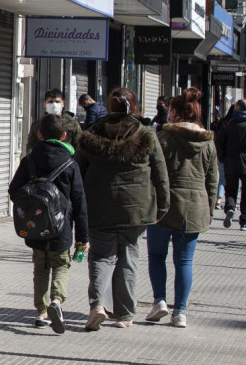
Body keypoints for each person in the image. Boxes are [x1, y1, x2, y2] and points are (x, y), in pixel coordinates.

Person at [76, 88, 170, 331]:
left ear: (108, 107)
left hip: (99, 206)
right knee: (128, 257)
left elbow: (78, 171)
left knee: (101, 256)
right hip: (135, 209)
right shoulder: (146, 134)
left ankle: (97, 305)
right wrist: (163, 205)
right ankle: (125, 315)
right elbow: (160, 172)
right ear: (135, 106)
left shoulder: (91, 133)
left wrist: (77, 206)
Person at [9, 113, 89, 334]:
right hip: (61, 228)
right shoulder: (70, 163)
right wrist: (83, 238)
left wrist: (30, 208)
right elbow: (80, 202)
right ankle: (57, 301)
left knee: (40, 268)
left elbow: (13, 190)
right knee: (61, 265)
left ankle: (41, 313)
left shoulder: (30, 160)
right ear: (64, 136)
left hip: (35, 228)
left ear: (39, 134)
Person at [147, 88, 217, 329]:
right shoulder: (207, 142)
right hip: (194, 208)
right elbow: (212, 180)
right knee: (184, 261)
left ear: (174, 113)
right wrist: (208, 210)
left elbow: (152, 172)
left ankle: (160, 301)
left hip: (163, 207)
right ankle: (181, 312)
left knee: (157, 255)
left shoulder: (162, 138)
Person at [216, 99, 246, 231]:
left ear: (236, 109)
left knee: (231, 188)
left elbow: (219, 142)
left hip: (230, 161)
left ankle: (230, 208)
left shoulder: (227, 124)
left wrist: (222, 158)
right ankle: (245, 221)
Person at [213, 106, 235, 209]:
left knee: (222, 178)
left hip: (221, 155)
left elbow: (218, 140)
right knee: (232, 179)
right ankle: (231, 202)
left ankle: (219, 199)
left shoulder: (223, 122)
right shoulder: (235, 124)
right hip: (232, 157)